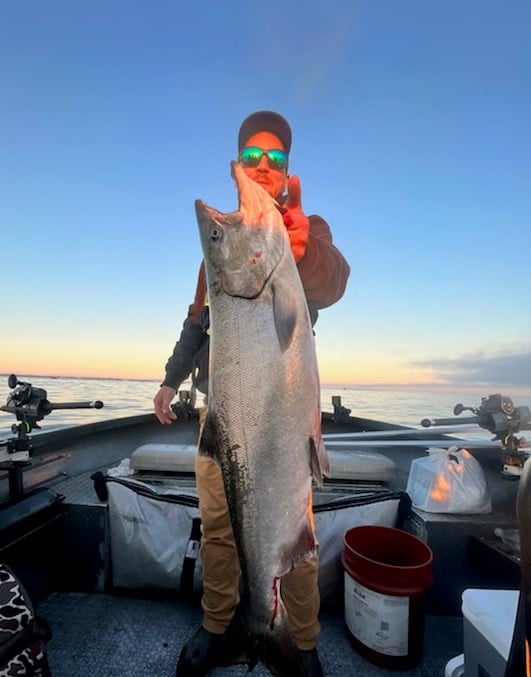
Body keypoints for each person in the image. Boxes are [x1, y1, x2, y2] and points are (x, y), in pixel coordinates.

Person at [154, 111, 350, 677]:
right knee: (218, 528)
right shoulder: (222, 249)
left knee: (296, 532)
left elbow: (333, 284)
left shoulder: (308, 233)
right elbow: (197, 325)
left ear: (288, 172)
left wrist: (303, 248)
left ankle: (300, 638)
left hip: (285, 418)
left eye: (276, 158)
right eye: (252, 157)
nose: (263, 167)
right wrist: (171, 379)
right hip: (225, 416)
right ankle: (222, 626)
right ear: (239, 163)